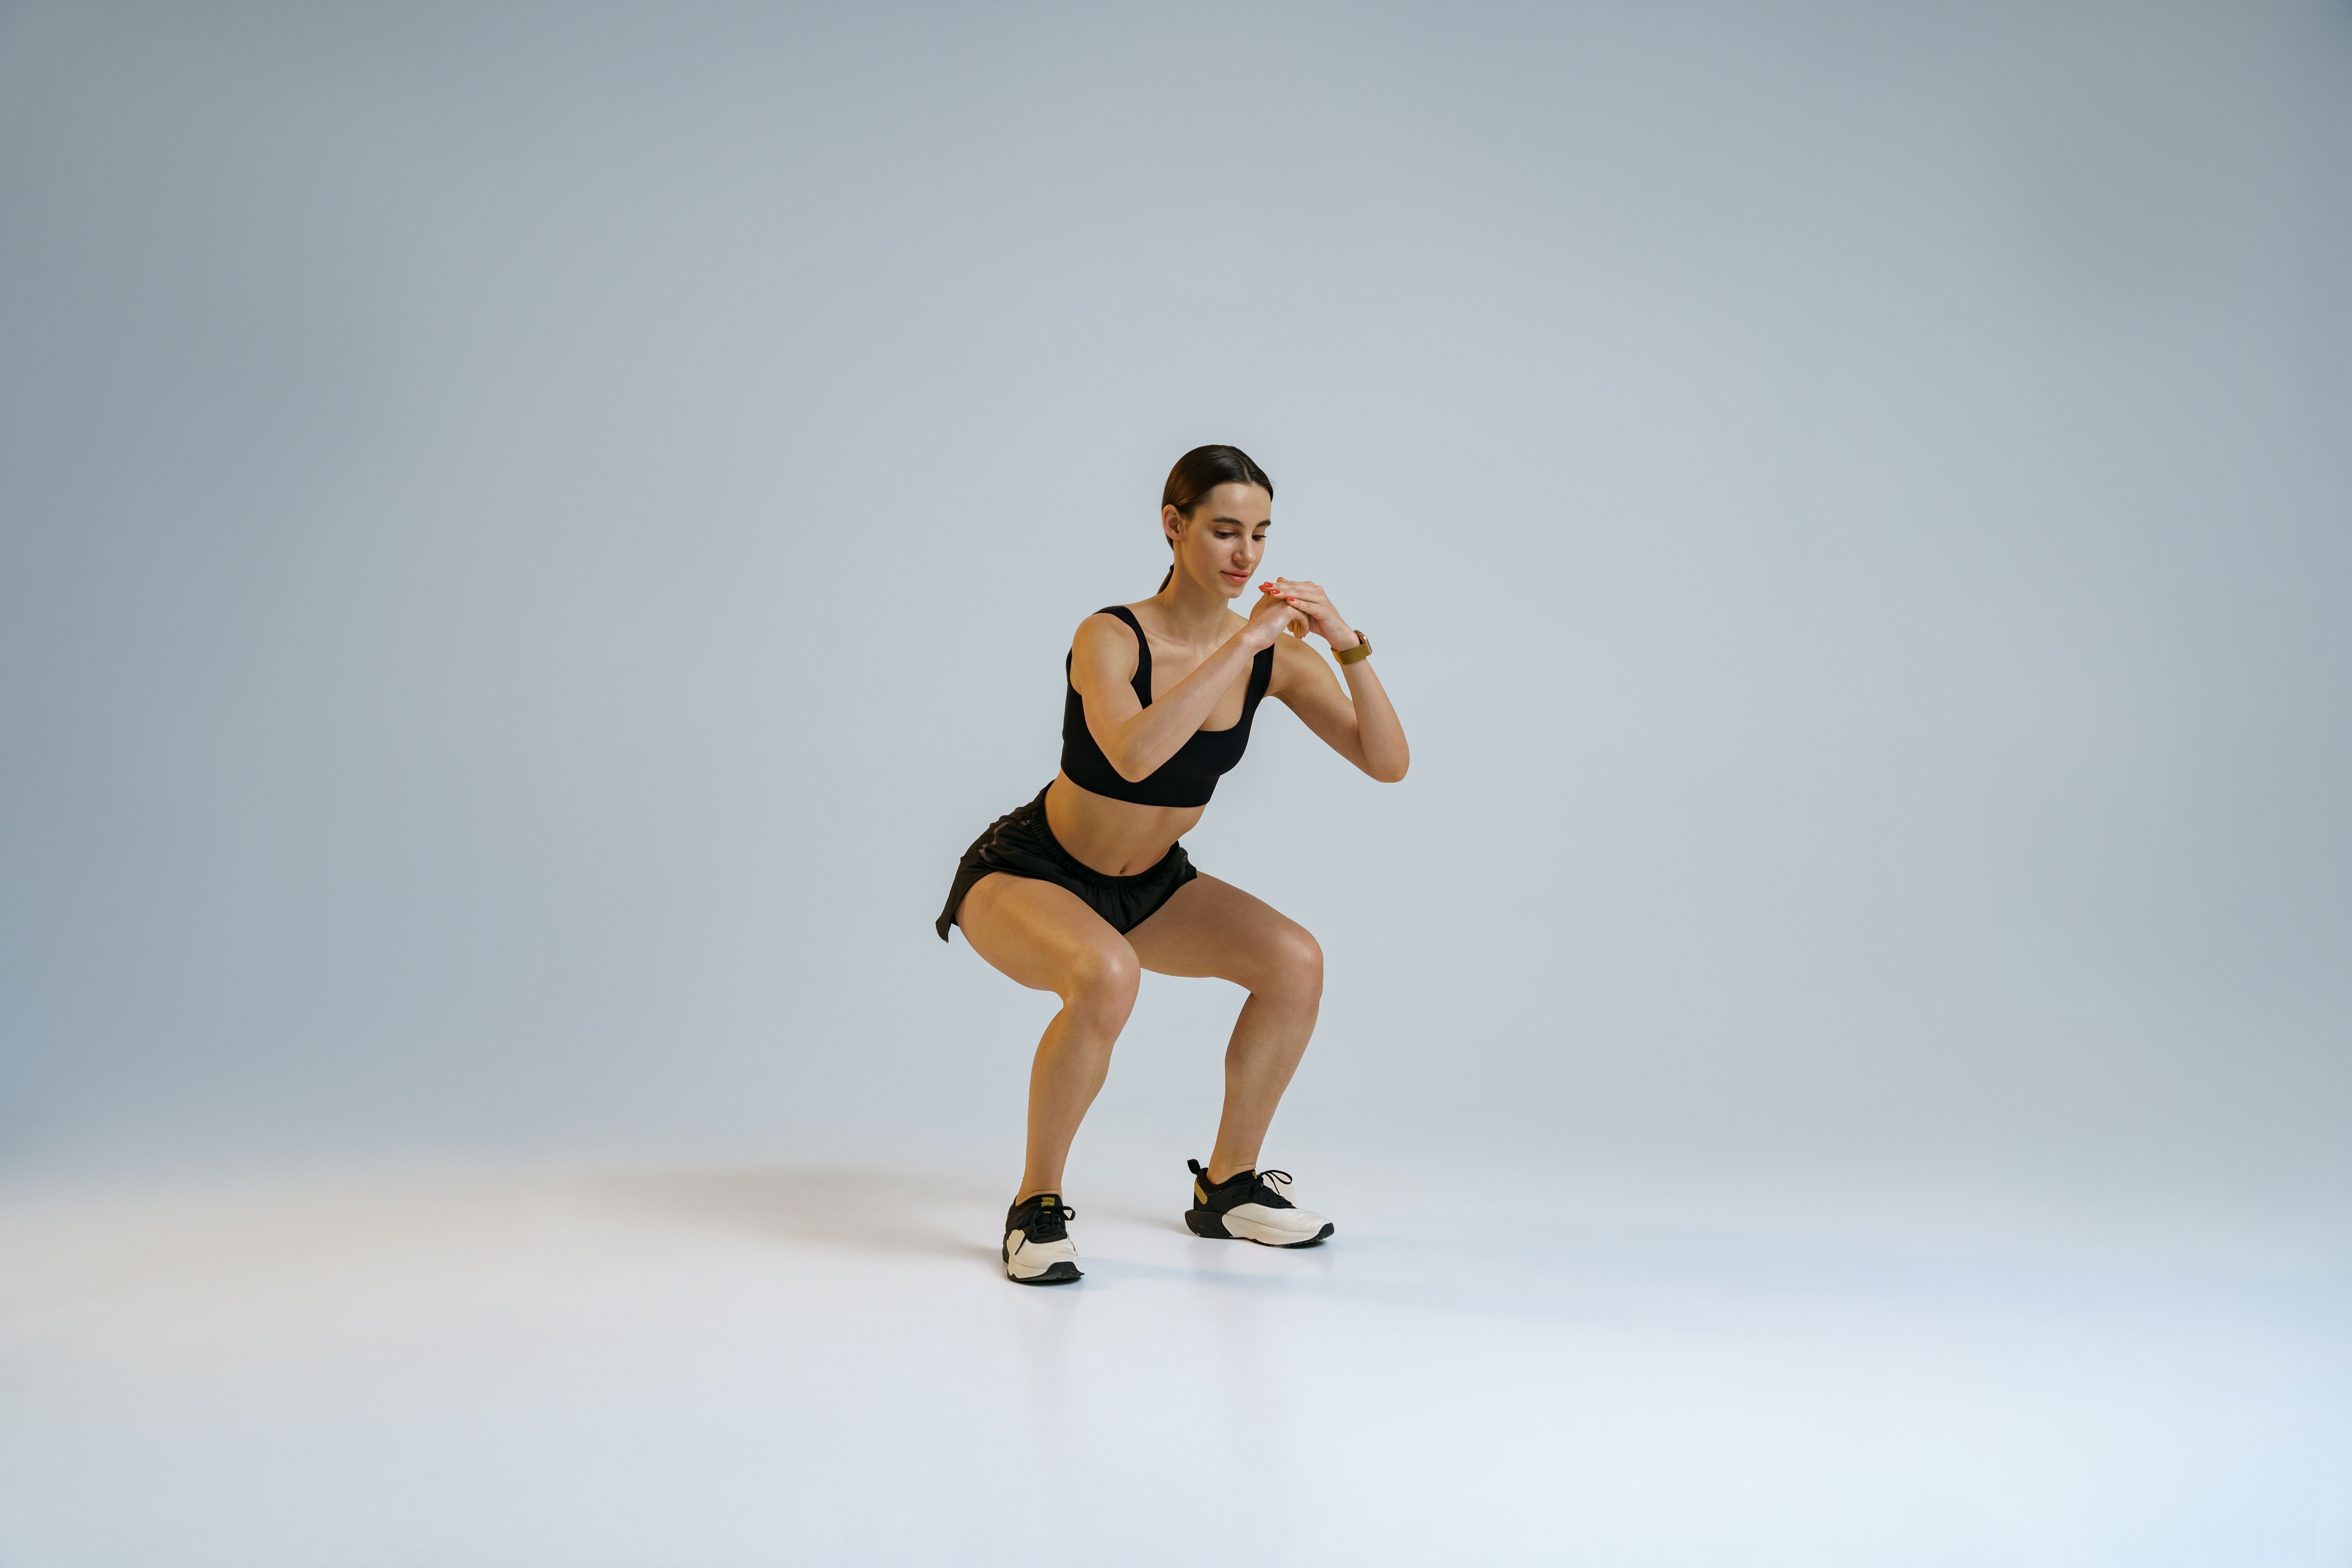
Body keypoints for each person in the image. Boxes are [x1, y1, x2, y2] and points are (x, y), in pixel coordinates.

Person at [936, 445, 1410, 1284]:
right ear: (1173, 525)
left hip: (1152, 884)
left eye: (1260, 534)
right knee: (1108, 977)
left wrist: (1345, 644)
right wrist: (1244, 642)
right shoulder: (1110, 636)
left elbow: (1388, 761)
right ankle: (1034, 1207)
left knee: (1295, 962)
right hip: (1031, 870)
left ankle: (1228, 1186)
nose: (1245, 555)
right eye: (1225, 530)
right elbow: (1133, 756)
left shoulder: (1271, 657)